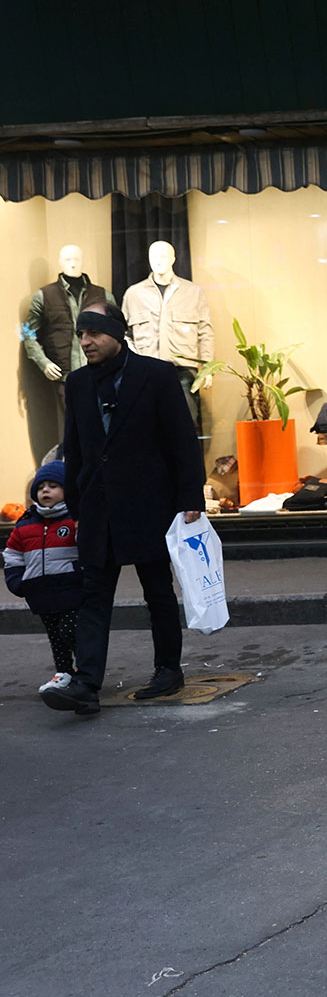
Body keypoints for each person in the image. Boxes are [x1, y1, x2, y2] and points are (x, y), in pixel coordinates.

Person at [39, 301, 205, 717]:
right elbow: (73, 446)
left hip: (149, 504)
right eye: (81, 334)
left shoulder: (157, 376)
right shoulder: (77, 384)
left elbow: (182, 441)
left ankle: (168, 670)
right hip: (97, 508)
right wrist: (73, 504)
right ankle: (86, 685)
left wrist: (191, 500)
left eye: (93, 333)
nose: (85, 341)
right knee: (94, 597)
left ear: (116, 332)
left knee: (157, 591)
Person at [4, 461, 83, 692]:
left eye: (53, 486)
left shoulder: (73, 519)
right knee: (55, 636)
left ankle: (87, 670)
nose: (45, 491)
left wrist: (82, 573)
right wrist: (18, 581)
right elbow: (12, 554)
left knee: (70, 629)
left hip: (70, 588)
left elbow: (87, 548)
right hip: (40, 591)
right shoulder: (26, 523)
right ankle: (64, 672)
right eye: (41, 487)